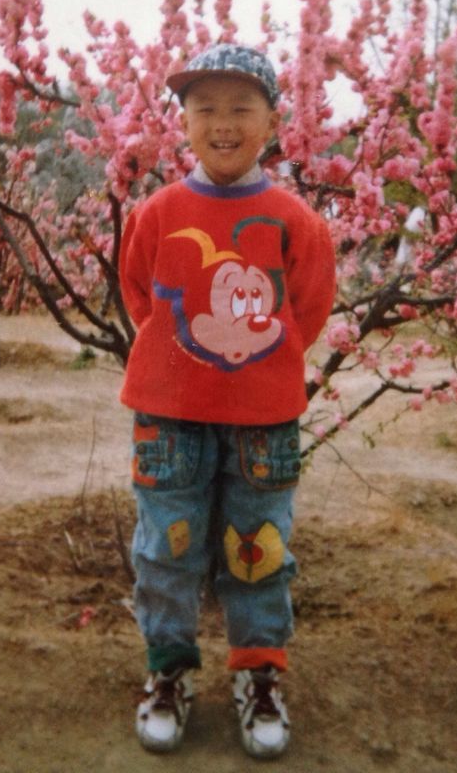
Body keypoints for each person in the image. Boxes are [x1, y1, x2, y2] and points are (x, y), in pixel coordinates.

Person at [119, 44, 336, 758]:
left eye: (241, 107)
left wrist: (259, 364)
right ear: (181, 121)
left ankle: (260, 674)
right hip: (168, 415)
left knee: (259, 551)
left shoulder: (294, 220)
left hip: (263, 419)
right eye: (204, 106)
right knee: (166, 550)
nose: (222, 122)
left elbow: (308, 306)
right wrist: (181, 358)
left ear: (271, 121)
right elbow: (140, 295)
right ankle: (167, 672)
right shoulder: (157, 212)